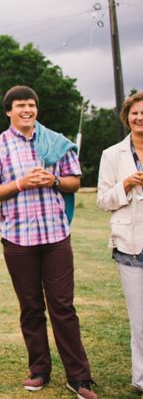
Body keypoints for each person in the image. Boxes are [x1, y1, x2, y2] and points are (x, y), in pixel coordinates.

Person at [0, 85, 97, 399]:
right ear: (9, 111)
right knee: (31, 308)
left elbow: (74, 181)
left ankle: (80, 378)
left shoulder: (55, 142)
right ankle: (39, 370)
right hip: (18, 240)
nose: (27, 110)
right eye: (20, 106)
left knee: (63, 307)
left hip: (56, 236)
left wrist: (54, 180)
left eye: (31, 105)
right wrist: (20, 183)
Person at [97, 91, 143, 399]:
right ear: (126, 117)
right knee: (140, 320)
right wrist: (125, 184)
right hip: (131, 245)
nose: (139, 118)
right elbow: (102, 200)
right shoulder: (113, 155)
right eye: (135, 113)